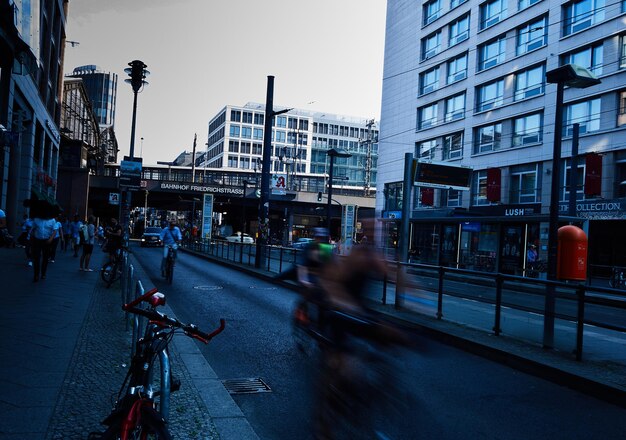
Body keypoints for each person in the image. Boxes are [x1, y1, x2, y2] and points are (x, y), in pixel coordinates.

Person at [29, 205, 59, 282]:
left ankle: (43, 273)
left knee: (45, 258)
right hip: (37, 240)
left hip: (47, 241)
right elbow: (33, 229)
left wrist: (51, 239)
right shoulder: (36, 220)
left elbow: (55, 230)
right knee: (37, 258)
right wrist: (31, 239)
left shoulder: (52, 220)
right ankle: (36, 275)